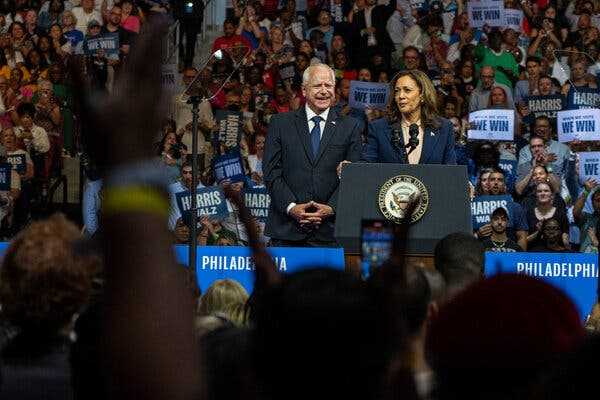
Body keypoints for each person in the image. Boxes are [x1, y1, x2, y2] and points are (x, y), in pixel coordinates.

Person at [263, 63, 362, 246]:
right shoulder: (280, 123)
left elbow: (354, 176)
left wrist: (331, 208)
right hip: (287, 229)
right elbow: (271, 172)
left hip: (332, 230)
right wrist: (292, 207)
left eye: (328, 86)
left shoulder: (351, 126)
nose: (324, 91)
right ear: (304, 90)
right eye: (318, 85)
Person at [360, 69, 456, 164]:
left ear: (422, 95)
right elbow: (366, 166)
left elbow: (450, 172)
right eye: (397, 91)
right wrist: (349, 168)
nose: (400, 96)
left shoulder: (444, 128)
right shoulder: (378, 128)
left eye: (407, 90)